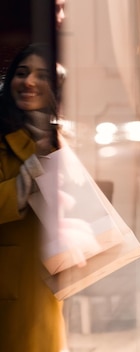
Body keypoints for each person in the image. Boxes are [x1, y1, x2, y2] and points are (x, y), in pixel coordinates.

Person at [0, 43, 67, 351]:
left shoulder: (57, 139)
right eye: (22, 73)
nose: (29, 82)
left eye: (41, 75)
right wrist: (29, 176)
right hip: (11, 283)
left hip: (46, 278)